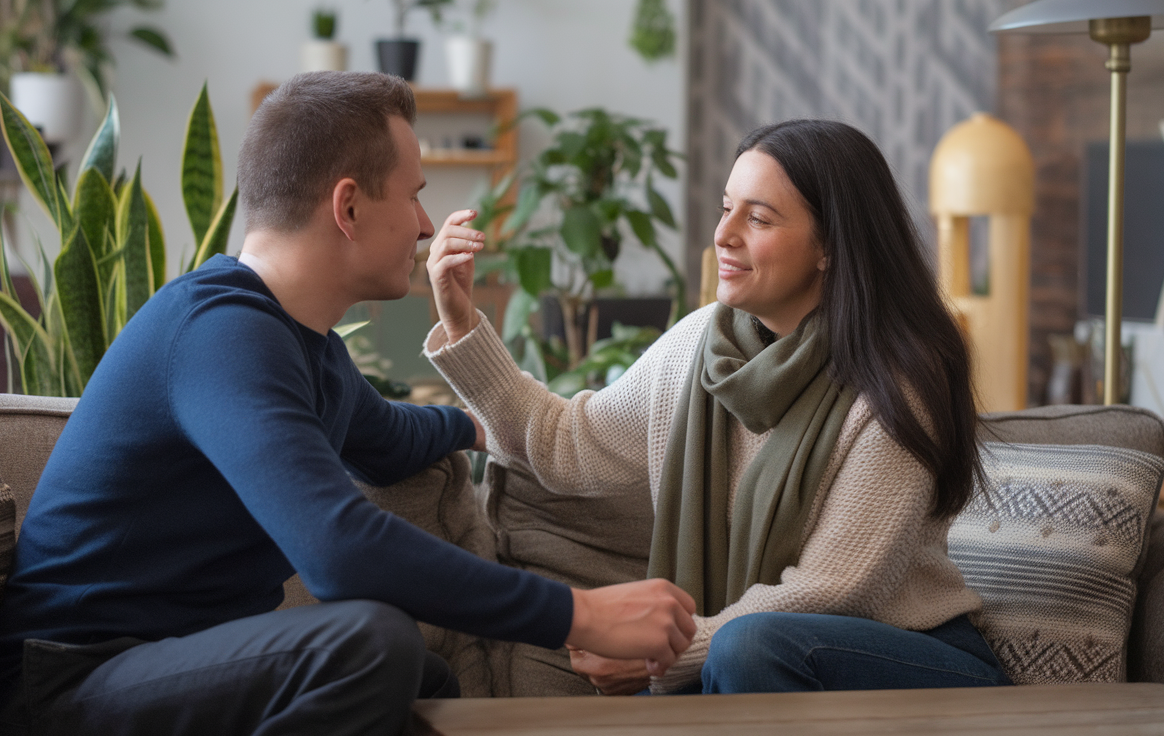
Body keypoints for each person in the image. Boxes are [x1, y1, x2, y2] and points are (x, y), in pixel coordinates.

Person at [0, 71, 696, 736]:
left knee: (427, 677)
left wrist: (481, 428)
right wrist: (581, 614)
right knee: (369, 642)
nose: (425, 225)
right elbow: (339, 549)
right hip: (71, 685)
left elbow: (386, 437)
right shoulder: (221, 334)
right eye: (413, 195)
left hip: (174, 664)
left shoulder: (306, 346)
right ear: (348, 206)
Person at [423, 119, 1012, 696]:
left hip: (916, 663)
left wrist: (663, 655)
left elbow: (835, 591)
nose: (724, 234)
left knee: (748, 647)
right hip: (755, 661)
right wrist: (460, 319)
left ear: (829, 246)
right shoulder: (701, 343)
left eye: (757, 218)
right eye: (725, 208)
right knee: (743, 649)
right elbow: (567, 446)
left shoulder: (896, 380)